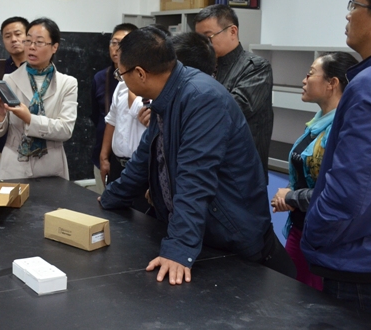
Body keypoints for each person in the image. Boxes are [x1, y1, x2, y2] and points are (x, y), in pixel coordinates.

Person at [99, 27, 295, 285]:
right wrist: (110, 198)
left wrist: (178, 249)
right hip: (205, 236)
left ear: (140, 73)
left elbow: (195, 178)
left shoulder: (202, 98)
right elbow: (143, 159)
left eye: (121, 74)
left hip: (233, 240)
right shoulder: (165, 98)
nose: (121, 80)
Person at [302, 0, 371, 317]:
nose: (348, 14)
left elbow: (350, 189)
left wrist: (315, 233)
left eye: (355, 5)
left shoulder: (370, 85)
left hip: (362, 266)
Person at [270, 52, 357, 290]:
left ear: (332, 83)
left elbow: (330, 190)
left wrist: (291, 197)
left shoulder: (341, 128)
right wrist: (289, 193)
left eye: (310, 74)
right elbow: (304, 170)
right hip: (301, 228)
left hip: (325, 237)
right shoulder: (318, 122)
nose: (304, 80)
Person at [0, 17, 78, 180]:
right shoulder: (9, 79)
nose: (31, 47)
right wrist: (1, 116)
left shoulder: (67, 83)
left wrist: (29, 118)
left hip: (50, 166)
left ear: (54, 47)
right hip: (13, 165)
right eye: (28, 41)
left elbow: (66, 130)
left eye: (39, 42)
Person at [195, 5, 273, 180]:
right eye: (198, 39)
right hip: (209, 166)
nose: (203, 45)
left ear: (232, 31)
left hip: (242, 172)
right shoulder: (203, 67)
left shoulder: (256, 67)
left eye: (208, 37)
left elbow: (233, 108)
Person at [91, 23, 137, 192]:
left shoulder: (144, 80)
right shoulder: (101, 78)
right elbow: (99, 116)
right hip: (108, 154)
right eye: (114, 42)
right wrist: (104, 156)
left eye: (123, 43)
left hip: (137, 161)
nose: (117, 48)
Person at [0, 16, 29, 172]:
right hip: (6, 147)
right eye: (8, 36)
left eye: (18, 34)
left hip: (36, 146)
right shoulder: (0, 69)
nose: (13, 39)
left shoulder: (39, 68)